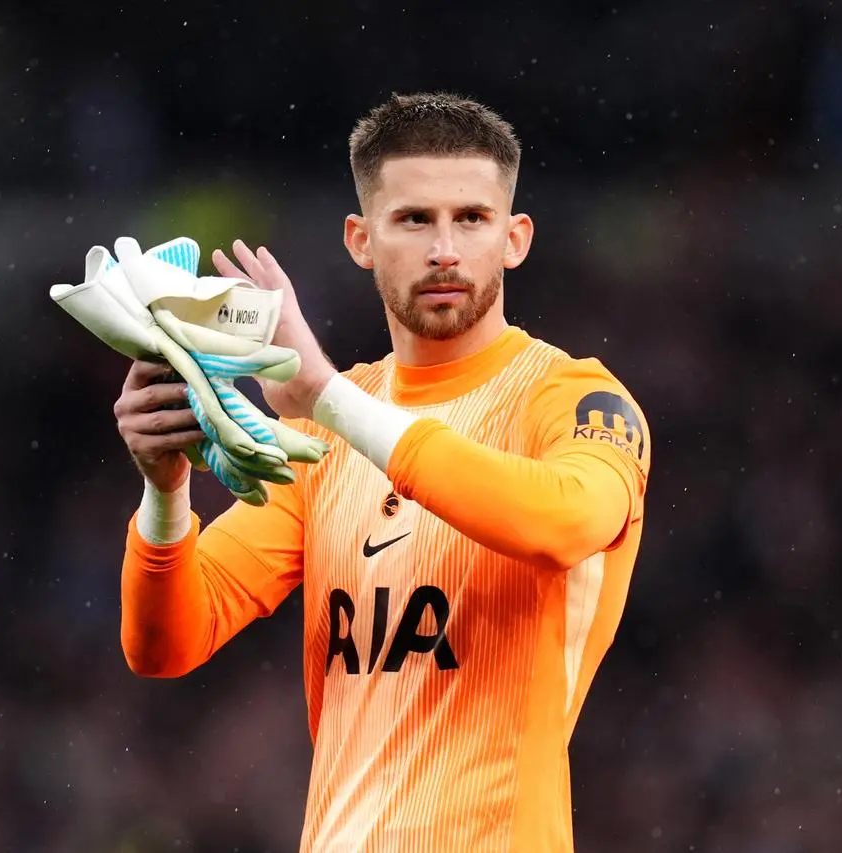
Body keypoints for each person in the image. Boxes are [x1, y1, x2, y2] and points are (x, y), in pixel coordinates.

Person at [111, 92, 652, 852]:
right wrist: (163, 489)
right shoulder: (326, 432)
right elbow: (166, 643)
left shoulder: (574, 399)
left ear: (516, 237)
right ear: (361, 239)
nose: (444, 250)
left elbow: (563, 523)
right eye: (413, 220)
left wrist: (324, 398)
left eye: (471, 218)